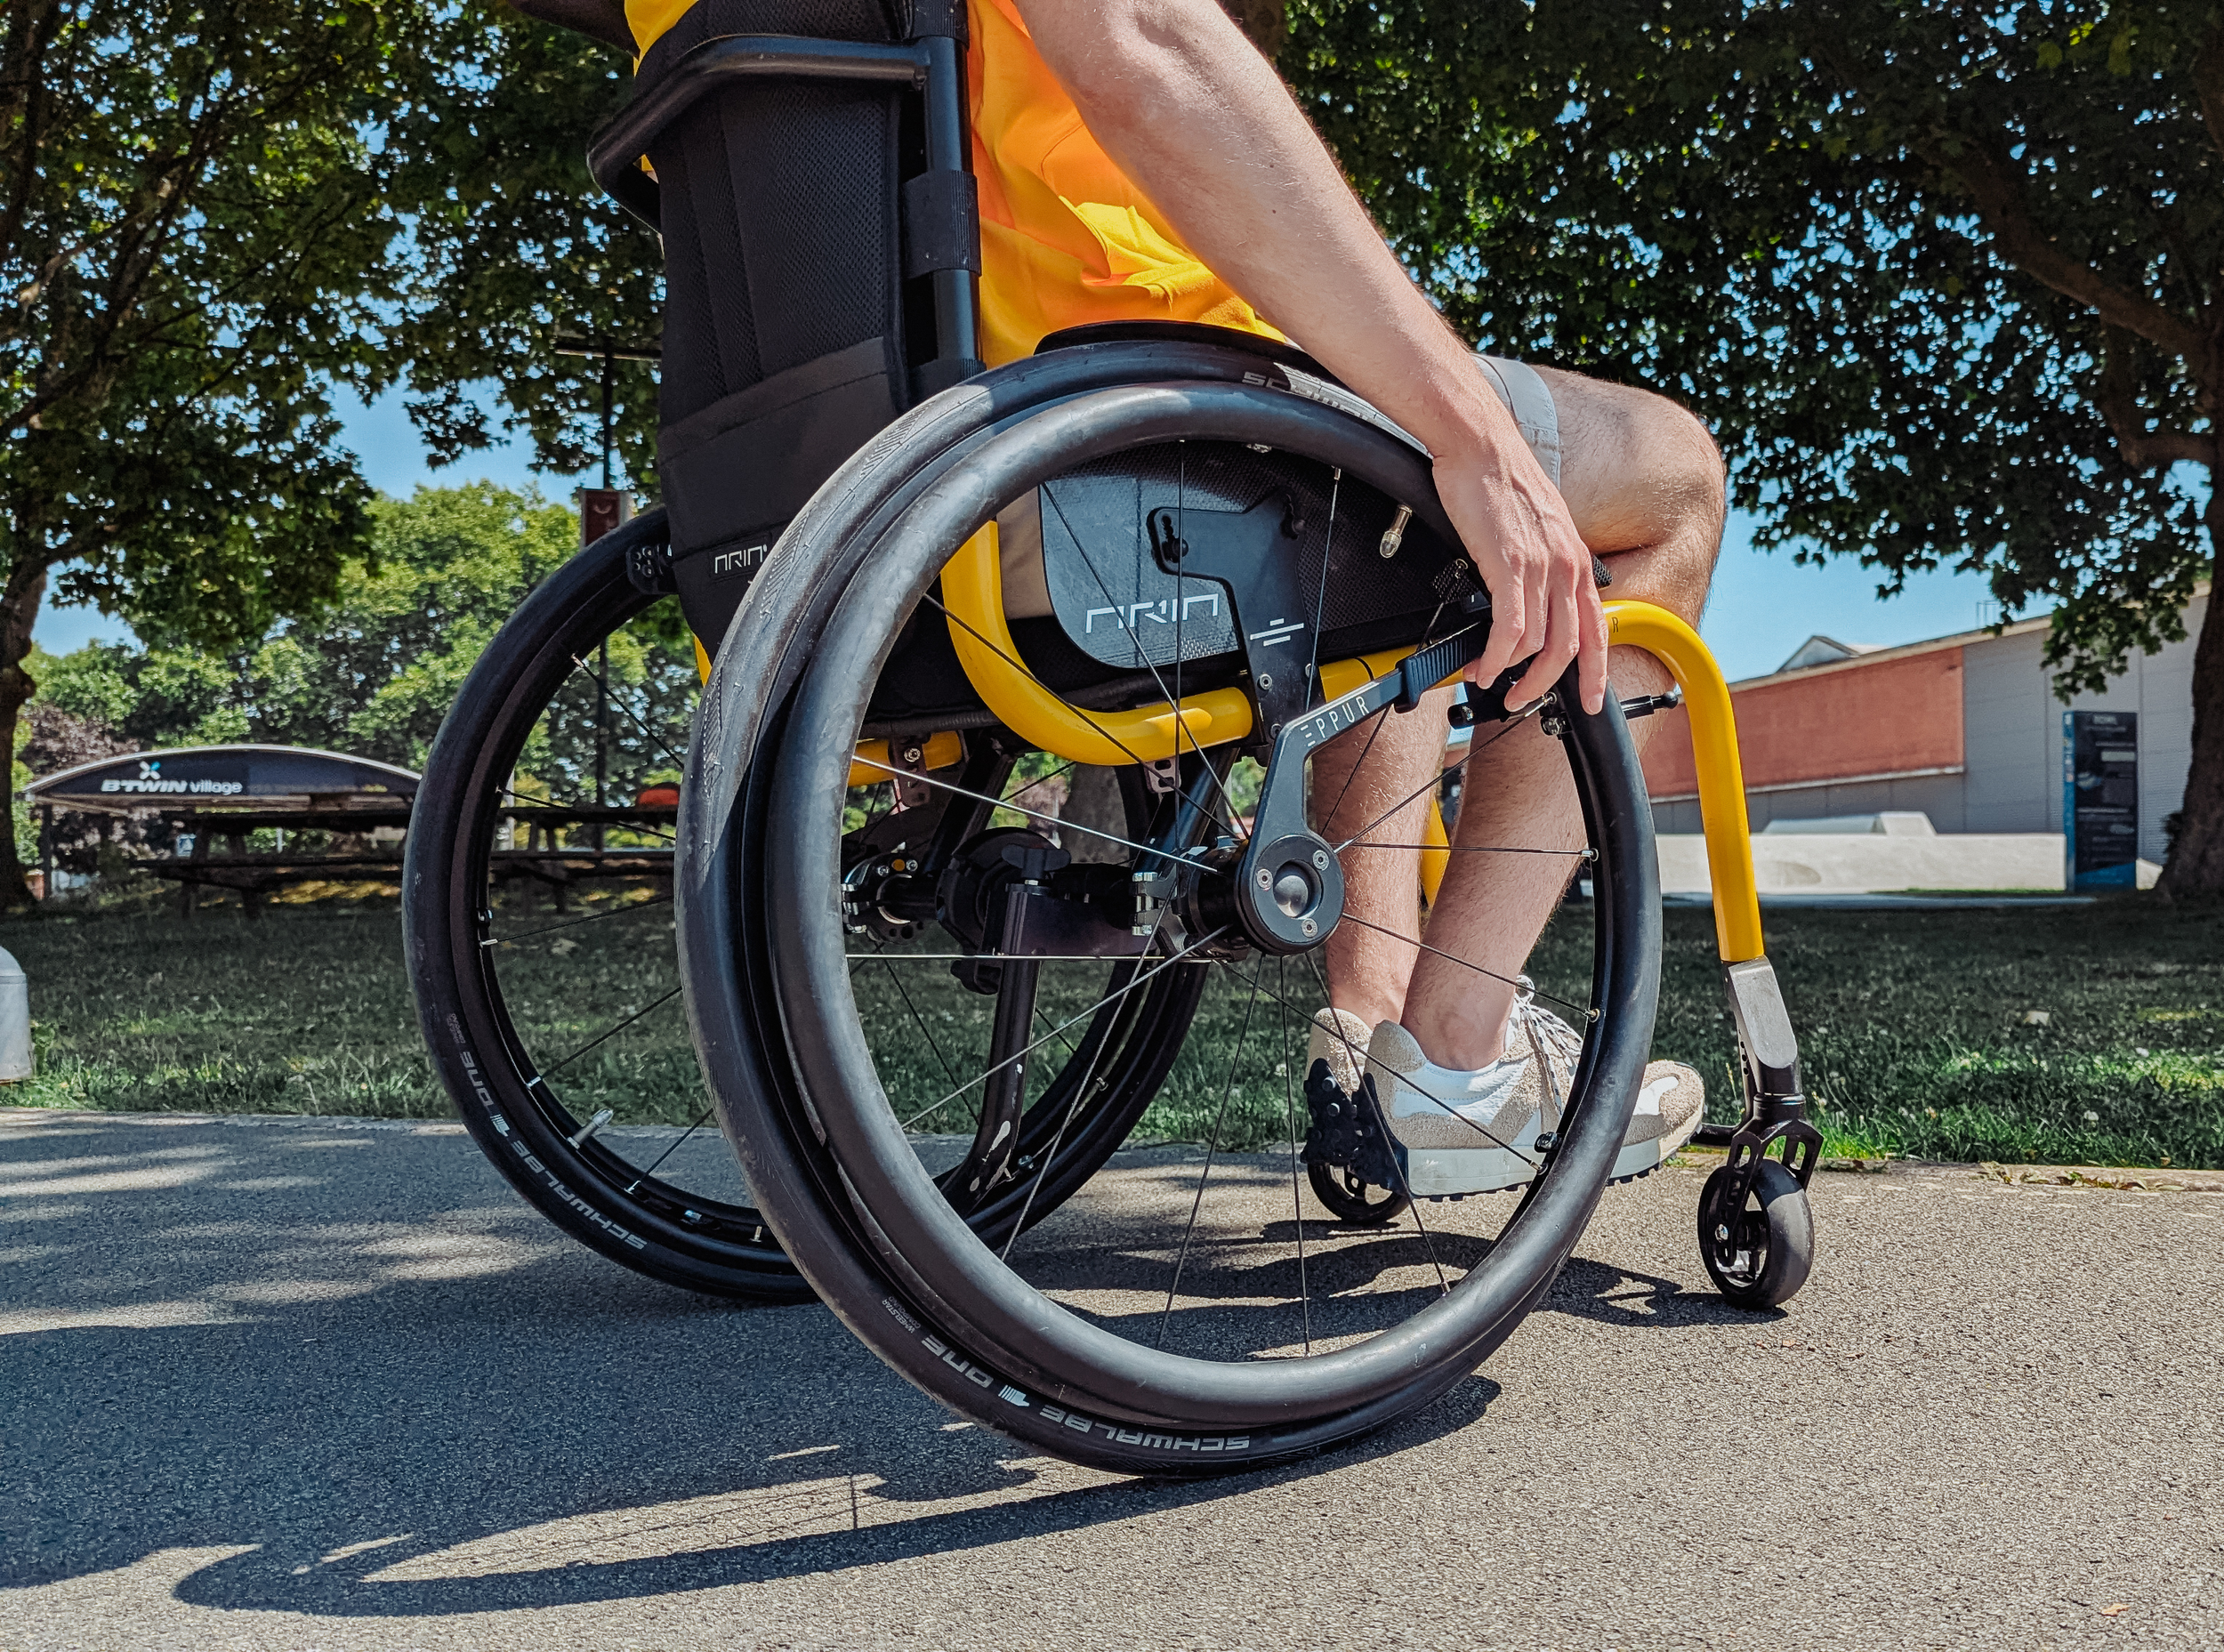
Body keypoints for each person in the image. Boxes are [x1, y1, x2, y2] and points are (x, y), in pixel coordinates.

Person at [624, 0, 1717, 1191]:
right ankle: (1459, 1058)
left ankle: (1376, 1029)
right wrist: (1472, 437)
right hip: (1103, 430)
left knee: (1382, 557)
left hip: (848, 489)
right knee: (1668, 474)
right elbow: (1144, 44)